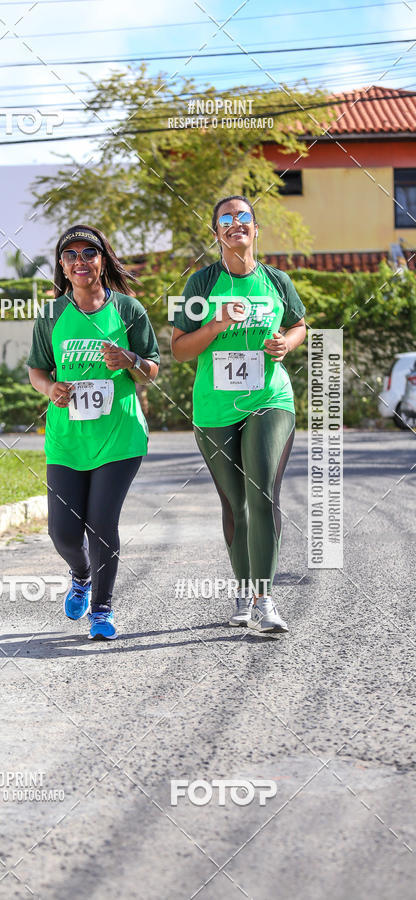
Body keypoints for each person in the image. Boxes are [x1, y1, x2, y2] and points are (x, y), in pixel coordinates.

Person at [171, 195, 306, 634]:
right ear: (217, 234)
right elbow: (177, 350)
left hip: (270, 398)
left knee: (262, 491)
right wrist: (216, 325)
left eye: (243, 217)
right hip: (214, 406)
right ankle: (243, 589)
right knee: (235, 502)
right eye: (225, 219)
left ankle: (265, 600)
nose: (235, 224)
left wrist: (287, 342)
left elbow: (299, 324)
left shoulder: (277, 281)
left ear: (255, 229)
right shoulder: (200, 283)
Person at [27, 225, 160, 640]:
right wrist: (50, 388)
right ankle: (80, 573)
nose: (81, 261)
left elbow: (152, 370)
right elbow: (37, 369)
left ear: (103, 260)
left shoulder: (128, 310)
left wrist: (130, 359)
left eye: (90, 253)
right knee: (63, 532)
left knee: (102, 523)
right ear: (62, 267)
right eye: (72, 255)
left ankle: (102, 610)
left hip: (119, 436)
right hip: (67, 439)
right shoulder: (51, 315)